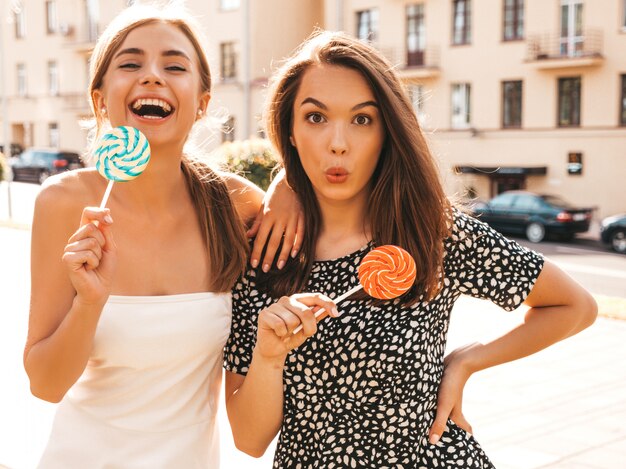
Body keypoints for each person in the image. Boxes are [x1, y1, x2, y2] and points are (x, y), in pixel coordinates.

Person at [223, 31, 598, 468]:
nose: (338, 142)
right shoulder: (265, 254)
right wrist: (269, 358)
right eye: (315, 117)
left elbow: (576, 306)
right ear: (288, 129)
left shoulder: (431, 233)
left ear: (388, 132)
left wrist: (467, 360)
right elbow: (249, 441)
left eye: (362, 120)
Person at [23, 4, 302, 468]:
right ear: (100, 99)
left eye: (174, 66)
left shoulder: (238, 207)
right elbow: (45, 385)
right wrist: (89, 303)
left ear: (202, 102)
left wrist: (290, 185)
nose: (152, 76)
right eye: (130, 64)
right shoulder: (64, 203)